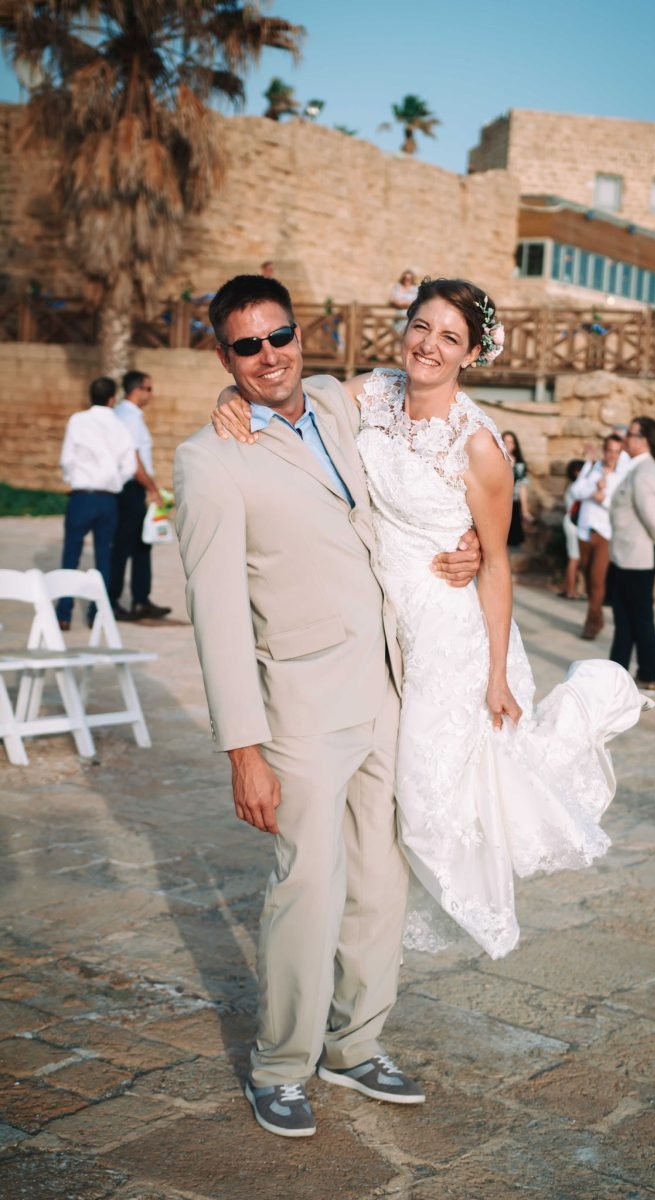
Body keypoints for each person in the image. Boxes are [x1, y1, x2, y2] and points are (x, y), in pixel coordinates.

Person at [213, 276, 648, 971]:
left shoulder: (479, 446)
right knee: (394, 800)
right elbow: (292, 393)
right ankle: (356, 944)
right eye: (421, 327)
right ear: (405, 327)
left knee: (426, 802)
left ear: (472, 354)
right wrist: (230, 396)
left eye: (450, 337)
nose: (429, 346)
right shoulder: (372, 392)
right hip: (383, 623)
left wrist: (498, 674)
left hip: (448, 633)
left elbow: (496, 566)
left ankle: (397, 932)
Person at [175, 274, 481, 1140]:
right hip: (300, 704)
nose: (268, 356)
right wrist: (243, 750)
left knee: (382, 878)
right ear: (224, 357)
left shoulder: (345, 403)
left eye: (279, 336)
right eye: (246, 346)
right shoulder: (209, 460)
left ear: (300, 334)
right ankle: (280, 1065)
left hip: (389, 683)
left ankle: (356, 1044)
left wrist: (471, 541)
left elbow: (442, 424)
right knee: (307, 886)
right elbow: (215, 613)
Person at [55, 376, 137, 630]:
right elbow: (130, 466)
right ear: (112, 399)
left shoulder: (77, 420)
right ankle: (97, 613)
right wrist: (114, 482)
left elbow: (67, 459)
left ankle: (64, 614)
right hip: (108, 499)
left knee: (71, 555)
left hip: (82, 496)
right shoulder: (121, 426)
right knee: (104, 557)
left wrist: (74, 479)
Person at [608, 417, 655, 692]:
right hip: (630, 555)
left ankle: (647, 673)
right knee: (627, 619)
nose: (625, 437)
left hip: (636, 557)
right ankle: (618, 673)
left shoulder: (644, 472)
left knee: (637, 618)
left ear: (644, 440)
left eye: (630, 433)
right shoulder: (651, 469)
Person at [109, 371, 171, 621]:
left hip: (130, 487)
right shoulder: (130, 418)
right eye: (149, 389)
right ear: (137, 390)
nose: (151, 394)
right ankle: (113, 601)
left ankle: (140, 599)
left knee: (140, 544)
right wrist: (152, 489)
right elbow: (134, 461)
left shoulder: (121, 414)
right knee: (124, 545)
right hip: (130, 487)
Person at [571, 434, 630, 639]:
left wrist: (603, 499)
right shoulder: (592, 468)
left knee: (597, 579)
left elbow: (620, 505)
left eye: (616, 451)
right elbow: (576, 491)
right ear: (604, 450)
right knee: (588, 577)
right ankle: (598, 617)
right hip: (585, 530)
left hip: (605, 533)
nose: (612, 455)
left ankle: (591, 624)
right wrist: (593, 490)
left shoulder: (622, 475)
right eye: (609, 450)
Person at [502, 431, 533, 548]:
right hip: (497, 503)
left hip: (513, 503)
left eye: (510, 442)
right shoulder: (496, 461)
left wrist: (525, 511)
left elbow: (522, 487)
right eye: (505, 442)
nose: (508, 445)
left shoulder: (520, 465)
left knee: (512, 539)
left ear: (515, 445)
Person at [559, 459, 584, 598]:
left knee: (574, 557)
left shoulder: (571, 486)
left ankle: (568, 587)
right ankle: (570, 590)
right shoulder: (576, 487)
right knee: (574, 558)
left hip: (571, 521)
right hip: (574, 523)